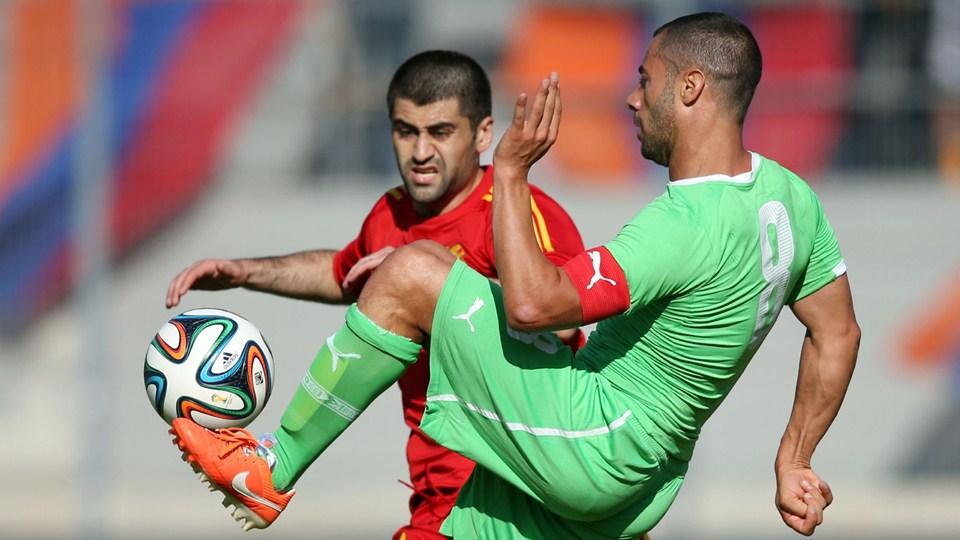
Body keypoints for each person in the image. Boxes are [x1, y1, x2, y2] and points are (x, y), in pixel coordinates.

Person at [169, 12, 860, 539]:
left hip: (588, 445)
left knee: (413, 272)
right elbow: (837, 334)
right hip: (631, 479)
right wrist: (795, 457)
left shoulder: (679, 226)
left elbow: (536, 309)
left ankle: (269, 468)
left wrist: (509, 170)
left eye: (644, 79)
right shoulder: (791, 200)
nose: (630, 98)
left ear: (690, 88)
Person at [164, 50, 586, 539]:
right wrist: (244, 271)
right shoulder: (391, 214)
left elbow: (562, 319)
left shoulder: (516, 212)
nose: (421, 151)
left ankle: (270, 469)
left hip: (526, 493)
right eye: (406, 131)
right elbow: (343, 273)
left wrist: (427, 276)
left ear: (483, 135)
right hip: (441, 503)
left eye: (440, 132)